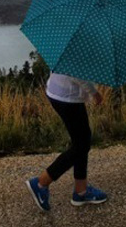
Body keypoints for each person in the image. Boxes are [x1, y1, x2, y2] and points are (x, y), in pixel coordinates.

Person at [25, 72, 108, 211]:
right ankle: (41, 183)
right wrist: (95, 93)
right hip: (67, 98)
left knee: (82, 140)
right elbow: (75, 73)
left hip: (59, 91)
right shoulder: (80, 50)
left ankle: (81, 191)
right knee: (81, 144)